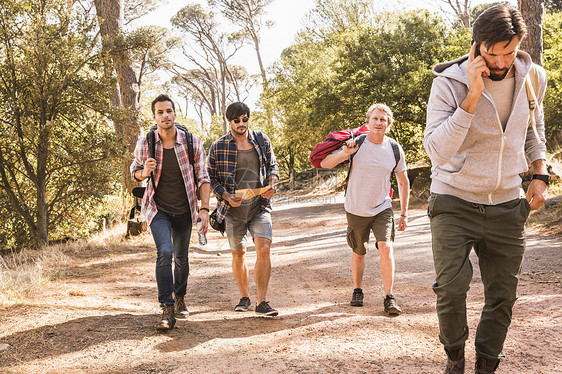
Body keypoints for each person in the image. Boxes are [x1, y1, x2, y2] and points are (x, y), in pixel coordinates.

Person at [424, 4, 549, 373]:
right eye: (491, 53)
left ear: (518, 46)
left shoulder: (533, 77)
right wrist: (472, 95)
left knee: (503, 296)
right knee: (451, 288)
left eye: (508, 52)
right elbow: (436, 150)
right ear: (476, 46)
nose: (500, 61)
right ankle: (455, 355)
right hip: (453, 199)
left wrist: (540, 174)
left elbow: (533, 132)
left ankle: (487, 365)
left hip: (508, 205)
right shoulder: (448, 83)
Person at [130, 94, 211, 330]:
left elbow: (203, 178)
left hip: (185, 209)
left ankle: (180, 297)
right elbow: (134, 171)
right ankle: (166, 307)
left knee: (182, 258)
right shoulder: (146, 143)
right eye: (160, 112)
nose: (165, 116)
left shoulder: (191, 142)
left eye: (169, 111)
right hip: (158, 208)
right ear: (154, 116)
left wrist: (204, 210)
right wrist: (144, 172)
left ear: (175, 113)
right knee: (165, 252)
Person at [321, 103, 410, 316]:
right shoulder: (356, 144)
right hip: (356, 208)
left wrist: (404, 213)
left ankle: (389, 297)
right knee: (358, 252)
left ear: (388, 124)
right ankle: (357, 290)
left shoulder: (395, 148)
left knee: (386, 247)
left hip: (382, 207)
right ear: (368, 122)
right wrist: (344, 152)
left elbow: (403, 181)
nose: (379, 123)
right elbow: (326, 163)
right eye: (375, 119)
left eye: (383, 120)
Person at [207, 102, 280, 316]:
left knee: (264, 249)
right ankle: (244, 297)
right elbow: (209, 177)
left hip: (259, 207)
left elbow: (273, 166)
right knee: (239, 254)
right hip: (232, 211)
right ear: (229, 121)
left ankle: (262, 302)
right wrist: (224, 195)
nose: (241, 123)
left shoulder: (261, 139)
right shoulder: (218, 146)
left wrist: (272, 184)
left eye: (245, 119)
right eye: (237, 120)